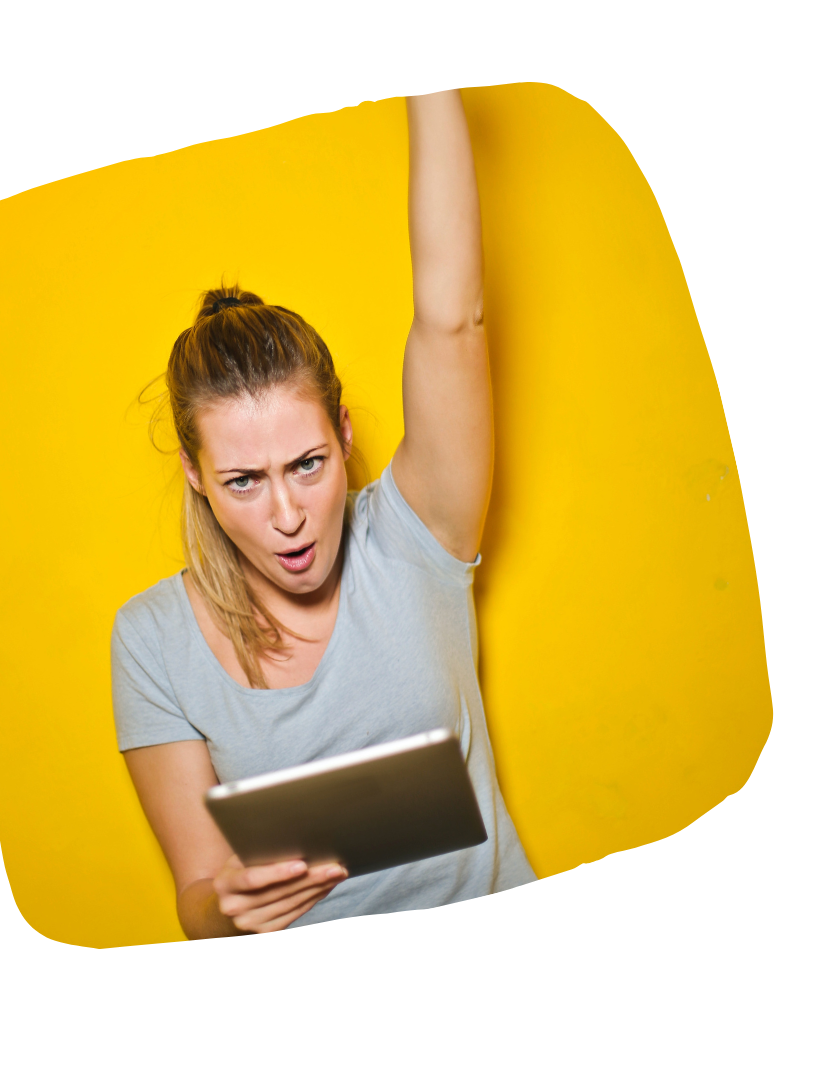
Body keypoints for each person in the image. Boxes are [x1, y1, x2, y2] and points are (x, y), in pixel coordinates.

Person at [111, 89, 536, 938]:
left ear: (344, 436)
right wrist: (227, 903)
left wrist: (431, 76)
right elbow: (197, 898)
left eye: (308, 465)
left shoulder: (417, 533)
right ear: (195, 474)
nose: (289, 516)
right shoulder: (151, 638)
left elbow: (453, 320)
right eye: (243, 481)